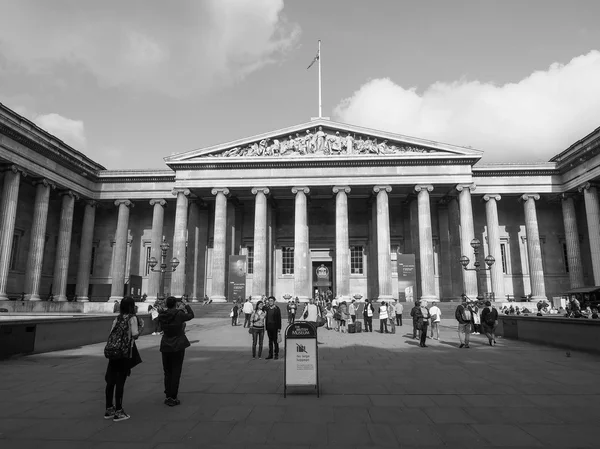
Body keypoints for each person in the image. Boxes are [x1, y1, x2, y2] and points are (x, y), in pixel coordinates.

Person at [104, 296, 142, 422]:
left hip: (113, 352)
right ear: (132, 306)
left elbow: (110, 334)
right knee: (120, 381)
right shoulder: (132, 318)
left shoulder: (117, 318)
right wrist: (141, 327)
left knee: (110, 381)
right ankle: (119, 411)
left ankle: (109, 408)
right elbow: (135, 335)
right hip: (124, 353)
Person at [158, 295, 195, 407]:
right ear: (176, 304)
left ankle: (168, 395)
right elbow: (191, 315)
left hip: (165, 344)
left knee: (167, 371)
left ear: (166, 304)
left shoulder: (162, 315)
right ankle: (173, 397)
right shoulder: (179, 314)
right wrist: (186, 304)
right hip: (178, 344)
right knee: (176, 371)